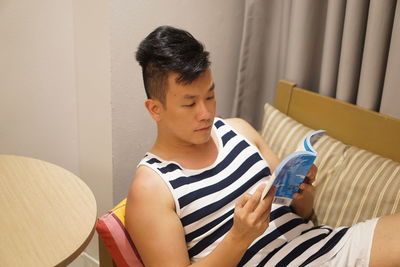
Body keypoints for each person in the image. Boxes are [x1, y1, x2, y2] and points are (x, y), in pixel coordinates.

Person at [126, 25, 400, 266]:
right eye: (189, 103)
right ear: (155, 109)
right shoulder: (151, 188)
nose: (205, 113)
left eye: (209, 96)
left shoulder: (239, 129)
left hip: (327, 247)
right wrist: (239, 237)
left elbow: (299, 212)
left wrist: (302, 192)